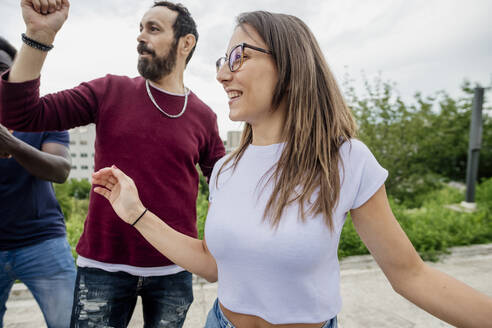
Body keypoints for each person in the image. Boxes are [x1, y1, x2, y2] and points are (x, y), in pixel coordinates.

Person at [90, 10, 492, 328]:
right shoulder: (227, 169)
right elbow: (212, 264)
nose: (221, 73)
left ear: (289, 63)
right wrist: (136, 214)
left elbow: (412, 276)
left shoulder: (346, 160)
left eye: (238, 57)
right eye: (220, 60)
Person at [0, 1, 225, 327]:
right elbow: (19, 114)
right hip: (102, 268)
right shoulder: (109, 91)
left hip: (173, 270)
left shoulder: (204, 116)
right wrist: (38, 36)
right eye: (140, 28)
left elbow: (223, 185)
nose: (140, 37)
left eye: (154, 28)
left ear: (185, 43)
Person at [0, 36, 76, 328]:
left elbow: (61, 169)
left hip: (41, 240)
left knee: (69, 323)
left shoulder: (42, 115)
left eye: (3, 70)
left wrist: (12, 143)